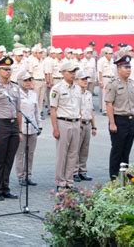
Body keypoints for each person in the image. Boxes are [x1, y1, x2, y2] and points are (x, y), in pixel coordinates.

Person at [0, 57, 21, 201]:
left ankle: (5, 188)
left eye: (9, 69)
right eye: (4, 69)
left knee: (9, 159)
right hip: (1, 125)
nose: (8, 72)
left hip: (13, 125)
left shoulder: (15, 87)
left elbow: (19, 110)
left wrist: (19, 130)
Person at [105, 55, 134, 179]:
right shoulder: (113, 84)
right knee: (117, 151)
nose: (129, 69)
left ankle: (124, 178)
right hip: (118, 120)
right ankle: (114, 179)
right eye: (126, 67)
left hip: (130, 121)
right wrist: (112, 123)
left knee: (126, 152)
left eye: (129, 67)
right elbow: (109, 103)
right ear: (118, 68)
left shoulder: (132, 84)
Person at [50, 61, 82, 190]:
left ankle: (69, 180)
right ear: (63, 73)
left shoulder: (78, 87)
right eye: (70, 72)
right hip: (63, 122)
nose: (73, 74)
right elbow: (53, 109)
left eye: (74, 72)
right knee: (62, 154)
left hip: (76, 122)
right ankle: (60, 181)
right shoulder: (57, 88)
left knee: (73, 153)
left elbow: (79, 106)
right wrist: (55, 128)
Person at [14, 71, 41, 186]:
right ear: (19, 81)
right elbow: (15, 112)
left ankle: (28, 175)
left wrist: (39, 125)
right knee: (20, 153)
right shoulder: (16, 94)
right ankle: (21, 176)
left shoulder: (33, 94)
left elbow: (36, 111)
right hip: (21, 128)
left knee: (30, 153)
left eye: (30, 80)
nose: (28, 82)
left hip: (32, 126)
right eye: (25, 80)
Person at [73, 70, 96, 182]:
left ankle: (82, 171)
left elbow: (91, 110)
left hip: (87, 123)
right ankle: (74, 171)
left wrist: (94, 126)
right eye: (82, 79)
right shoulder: (74, 93)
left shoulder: (88, 93)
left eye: (86, 79)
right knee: (75, 149)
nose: (85, 81)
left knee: (84, 149)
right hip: (78, 123)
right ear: (76, 80)